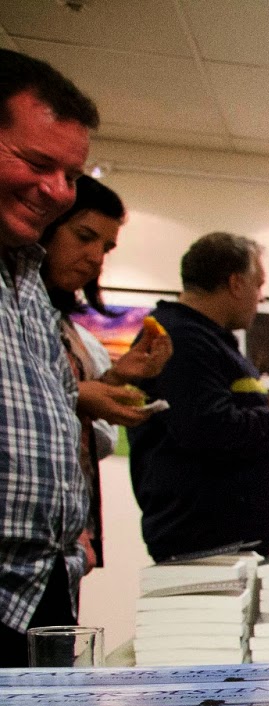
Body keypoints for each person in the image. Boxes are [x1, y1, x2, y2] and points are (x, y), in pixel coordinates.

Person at [0, 51, 98, 666]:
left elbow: (57, 406)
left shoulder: (27, 278)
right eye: (37, 164)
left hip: (42, 593)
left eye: (70, 174)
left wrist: (72, 531)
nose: (58, 191)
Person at [130, 232, 269, 561]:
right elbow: (208, 427)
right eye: (259, 285)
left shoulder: (204, 338)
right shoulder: (181, 338)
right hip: (210, 550)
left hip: (235, 549)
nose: (261, 297)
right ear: (236, 283)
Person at [41, 175, 174, 570]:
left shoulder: (66, 327)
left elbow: (74, 423)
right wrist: (83, 393)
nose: (96, 257)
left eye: (105, 247)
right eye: (84, 237)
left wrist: (116, 379)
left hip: (61, 532)